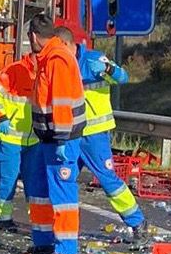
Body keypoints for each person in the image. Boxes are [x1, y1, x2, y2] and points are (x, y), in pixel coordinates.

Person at [56, 27, 148, 241]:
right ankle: (62, 233)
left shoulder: (93, 59)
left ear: (66, 44)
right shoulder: (60, 64)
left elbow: (123, 77)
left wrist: (107, 69)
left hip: (94, 134)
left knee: (107, 179)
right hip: (70, 133)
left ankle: (137, 220)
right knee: (63, 179)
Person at [26, 16, 86, 254]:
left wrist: (61, 139)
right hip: (49, 138)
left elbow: (61, 103)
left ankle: (66, 249)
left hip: (62, 138)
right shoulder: (48, 57)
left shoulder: (57, 59)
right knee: (40, 187)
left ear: (33, 36)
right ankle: (43, 241)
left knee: (62, 194)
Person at [0, 52, 36, 229]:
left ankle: (37, 220)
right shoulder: (14, 70)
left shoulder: (46, 71)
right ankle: (4, 218)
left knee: (34, 182)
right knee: (8, 180)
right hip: (11, 136)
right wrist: (1, 117)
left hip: (34, 139)